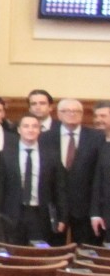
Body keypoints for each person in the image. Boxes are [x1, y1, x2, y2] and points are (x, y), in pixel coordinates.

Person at [45, 98, 107, 244]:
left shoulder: (97, 137)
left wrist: (96, 211)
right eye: (67, 111)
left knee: (87, 251)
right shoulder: (46, 137)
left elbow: (99, 175)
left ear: (82, 114)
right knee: (53, 251)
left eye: (77, 111)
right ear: (59, 114)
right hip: (55, 207)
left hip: (85, 208)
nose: (72, 114)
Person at [0, 114, 61, 245]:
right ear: (19, 130)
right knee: (12, 250)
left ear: (39, 130)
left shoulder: (51, 155)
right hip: (12, 213)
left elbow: (60, 187)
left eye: (34, 126)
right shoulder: (6, 154)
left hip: (40, 213)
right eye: (26, 126)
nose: (30, 130)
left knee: (40, 251)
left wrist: (62, 217)